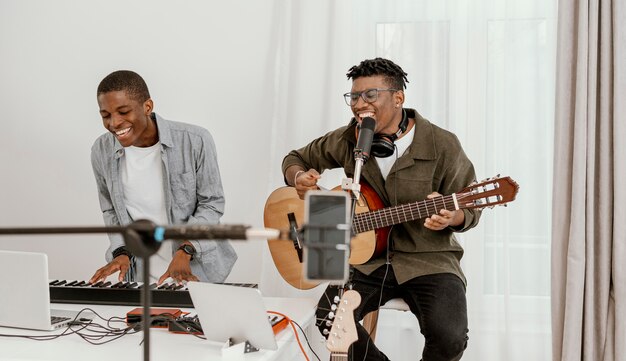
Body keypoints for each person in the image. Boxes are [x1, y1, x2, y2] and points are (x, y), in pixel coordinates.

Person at [282, 58, 481, 361]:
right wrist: (299, 177)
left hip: (429, 260)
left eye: (370, 95)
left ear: (398, 98)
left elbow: (471, 204)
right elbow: (295, 157)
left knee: (450, 337)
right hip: (367, 262)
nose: (359, 103)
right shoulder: (350, 138)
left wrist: (454, 217)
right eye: (354, 96)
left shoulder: (442, 144)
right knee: (328, 318)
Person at [89, 70, 237, 285]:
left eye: (123, 111)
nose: (114, 123)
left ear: (147, 107)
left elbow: (212, 204)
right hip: (139, 278)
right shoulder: (101, 150)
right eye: (106, 115)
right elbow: (110, 209)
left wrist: (186, 249)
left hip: (194, 270)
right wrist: (121, 251)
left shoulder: (195, 140)